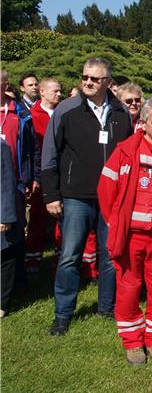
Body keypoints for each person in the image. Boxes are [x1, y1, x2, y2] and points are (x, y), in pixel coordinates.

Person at [42, 58, 133, 336]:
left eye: (94, 79)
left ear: (108, 82)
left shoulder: (121, 112)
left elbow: (127, 154)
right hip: (75, 196)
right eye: (85, 77)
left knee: (109, 255)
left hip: (111, 198)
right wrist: (51, 194)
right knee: (70, 256)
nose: (88, 82)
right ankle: (63, 314)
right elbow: (50, 154)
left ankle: (106, 308)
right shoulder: (66, 110)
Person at [97, 98, 152, 365]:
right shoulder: (125, 151)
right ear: (143, 123)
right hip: (132, 235)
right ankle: (133, 342)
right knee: (129, 288)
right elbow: (106, 188)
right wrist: (115, 222)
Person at [25, 78, 61, 273]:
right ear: (43, 93)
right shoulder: (32, 116)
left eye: (60, 91)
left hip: (61, 174)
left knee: (60, 218)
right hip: (41, 173)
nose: (58, 94)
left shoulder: (63, 114)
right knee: (38, 217)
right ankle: (32, 259)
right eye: (54, 91)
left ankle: (59, 258)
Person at [1, 139, 23, 316]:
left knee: (4, 256)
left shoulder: (1, 147)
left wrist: (6, 216)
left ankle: (2, 303)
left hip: (1, 211)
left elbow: (8, 182)